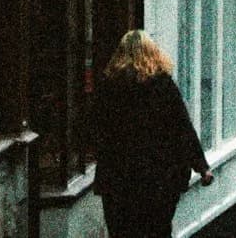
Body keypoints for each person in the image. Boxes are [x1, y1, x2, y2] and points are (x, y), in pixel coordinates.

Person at [89, 30, 214, 238]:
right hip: (159, 179)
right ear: (152, 53)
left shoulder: (109, 87)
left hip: (119, 180)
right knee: (157, 231)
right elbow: (182, 128)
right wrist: (202, 167)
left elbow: (95, 126)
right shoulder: (162, 86)